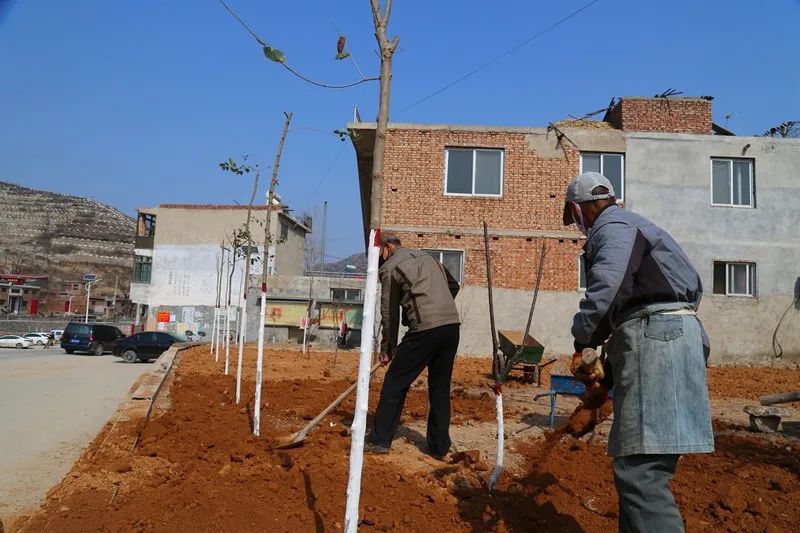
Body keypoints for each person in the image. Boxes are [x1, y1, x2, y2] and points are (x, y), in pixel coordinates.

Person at [563, 172, 713, 532]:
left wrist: (583, 340)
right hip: (664, 337)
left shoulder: (613, 227)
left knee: (641, 473)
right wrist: (606, 379)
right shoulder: (633, 225)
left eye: (574, 219)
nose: (578, 228)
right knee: (636, 467)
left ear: (578, 209)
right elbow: (631, 308)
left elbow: (610, 289)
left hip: (659, 338)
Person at [366, 234, 461, 458]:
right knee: (440, 388)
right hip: (451, 326)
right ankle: (439, 447)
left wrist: (387, 348)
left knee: (395, 382)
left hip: (425, 330)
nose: (380, 261)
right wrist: (435, 307)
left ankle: (379, 440)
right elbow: (453, 286)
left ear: (387, 248)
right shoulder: (428, 258)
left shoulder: (390, 268)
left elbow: (389, 311)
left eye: (379, 255)